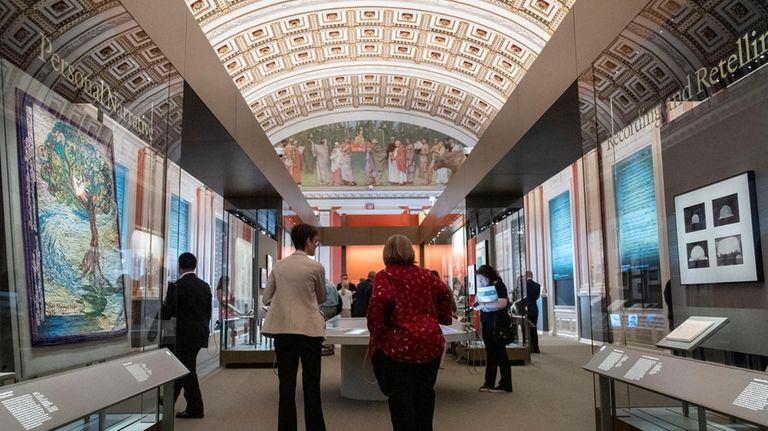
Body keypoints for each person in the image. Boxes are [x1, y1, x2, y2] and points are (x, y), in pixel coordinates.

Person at [368, 235, 452, 431]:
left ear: (386, 253)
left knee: (400, 401)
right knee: (425, 395)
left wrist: (377, 334)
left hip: (397, 348)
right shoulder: (426, 274)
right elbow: (445, 293)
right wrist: (440, 319)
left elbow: (379, 303)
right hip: (430, 345)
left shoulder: (385, 276)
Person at [262, 224, 327, 431]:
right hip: (310, 331)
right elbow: (322, 297)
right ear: (307, 242)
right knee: (311, 386)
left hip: (284, 331)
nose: (316, 246)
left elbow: (266, 297)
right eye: (315, 242)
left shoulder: (279, 266)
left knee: (286, 386)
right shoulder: (316, 267)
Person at [162, 252, 212, 419]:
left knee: (187, 370)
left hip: (183, 336)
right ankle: (169, 400)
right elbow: (208, 312)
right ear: (195, 265)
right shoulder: (205, 286)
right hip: (200, 334)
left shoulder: (176, 286)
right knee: (183, 366)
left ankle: (196, 407)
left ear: (179, 266)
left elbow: (167, 311)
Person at [473, 264, 512, 393]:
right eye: (480, 280)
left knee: (500, 353)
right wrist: (478, 305)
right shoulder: (484, 288)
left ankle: (505, 384)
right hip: (488, 322)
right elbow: (477, 305)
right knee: (490, 353)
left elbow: (502, 303)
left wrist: (485, 304)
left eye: (482, 279)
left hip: (498, 323)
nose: (481, 282)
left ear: (489, 276)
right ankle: (489, 382)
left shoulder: (499, 286)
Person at [523, 271, 541, 353]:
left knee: (527, 330)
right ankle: (536, 348)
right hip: (534, 309)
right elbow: (536, 297)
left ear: (526, 276)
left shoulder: (524, 285)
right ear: (532, 276)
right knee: (534, 328)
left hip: (526, 309)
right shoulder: (537, 285)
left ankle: (529, 347)